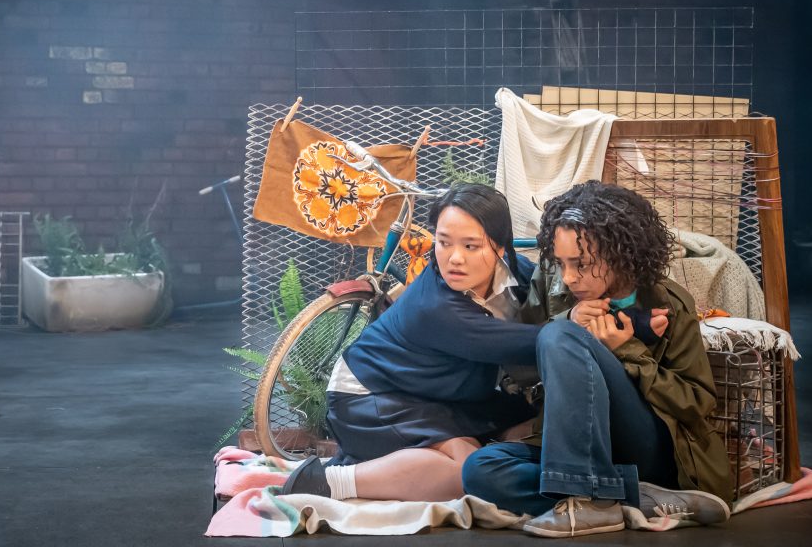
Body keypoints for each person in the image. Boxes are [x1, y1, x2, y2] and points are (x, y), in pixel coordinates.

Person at [462, 181, 733, 537]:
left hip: (648, 446)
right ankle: (629, 497)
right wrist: (567, 321)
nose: (569, 277)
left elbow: (696, 404)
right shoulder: (552, 282)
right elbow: (520, 371)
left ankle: (587, 502)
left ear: (622, 254)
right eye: (560, 263)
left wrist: (627, 351)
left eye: (582, 264)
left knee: (559, 334)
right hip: (574, 446)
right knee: (480, 470)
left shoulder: (669, 302)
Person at [280, 183, 542, 502]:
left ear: (500, 248)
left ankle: (389, 463)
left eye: (471, 246)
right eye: (444, 243)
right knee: (466, 471)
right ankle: (327, 481)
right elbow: (534, 343)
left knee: (512, 427)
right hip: (368, 394)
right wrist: (584, 329)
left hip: (432, 393)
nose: (454, 259)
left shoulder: (515, 271)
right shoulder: (437, 308)